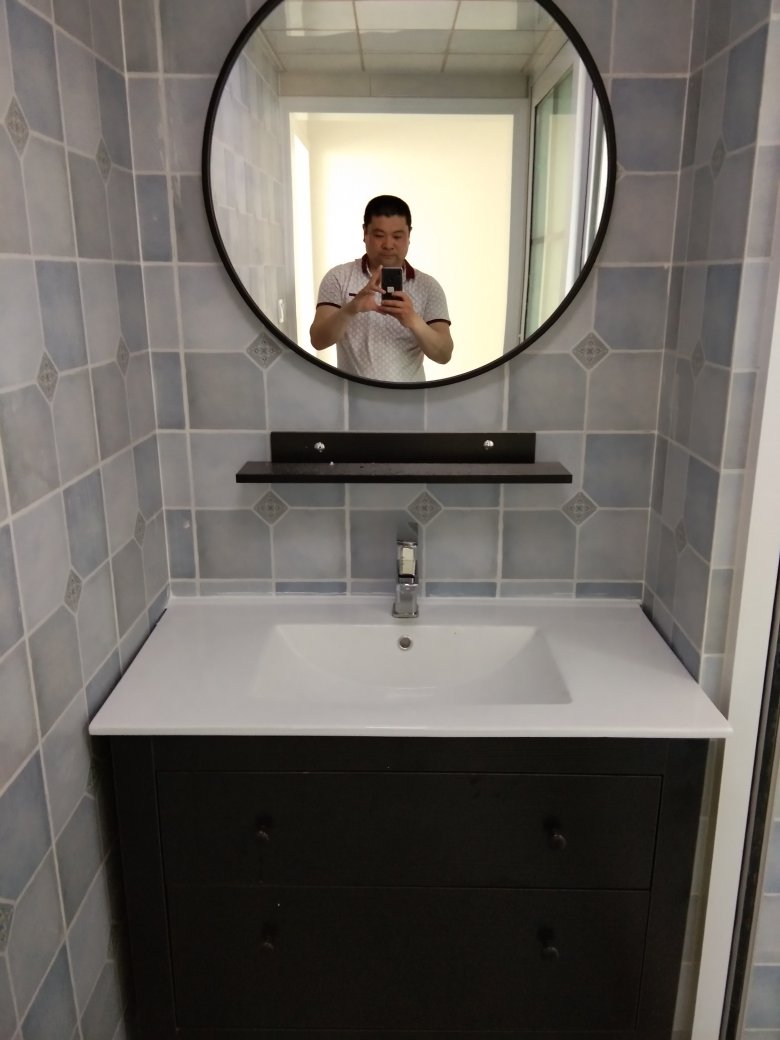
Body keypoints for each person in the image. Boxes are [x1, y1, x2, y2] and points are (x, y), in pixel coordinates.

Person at [309, 195, 453, 382]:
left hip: (409, 398)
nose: (388, 245)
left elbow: (444, 354)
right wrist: (352, 308)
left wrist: (413, 320)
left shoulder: (428, 287)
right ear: (365, 233)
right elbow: (318, 341)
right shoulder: (338, 277)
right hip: (352, 397)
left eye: (397, 236)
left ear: (409, 236)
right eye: (379, 235)